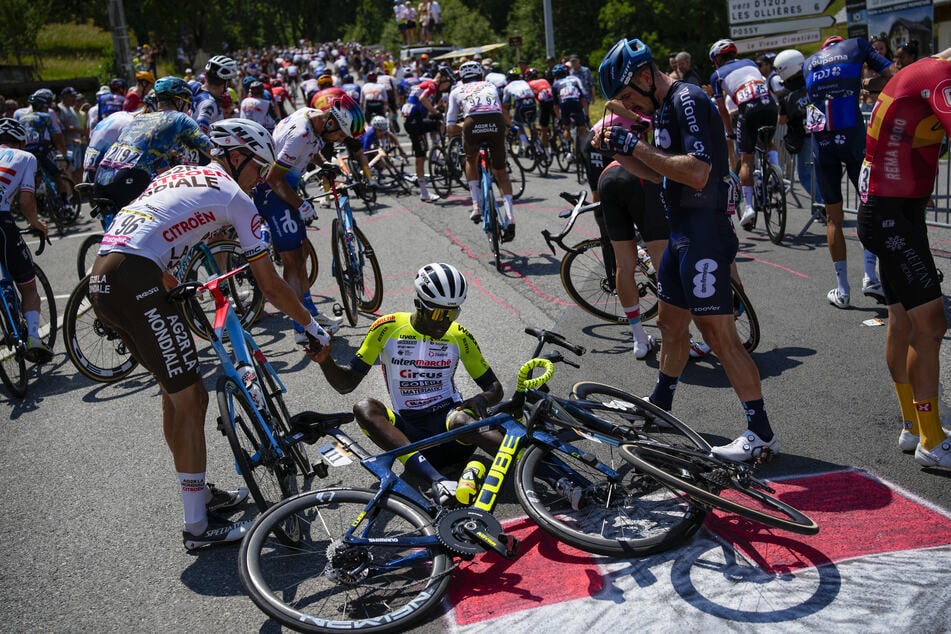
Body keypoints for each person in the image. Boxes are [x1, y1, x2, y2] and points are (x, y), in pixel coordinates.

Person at [89, 118, 331, 549]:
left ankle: (198, 494)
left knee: (174, 393)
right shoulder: (237, 198)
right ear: (236, 158)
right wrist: (312, 327)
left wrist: (167, 290)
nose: (260, 180)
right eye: (258, 168)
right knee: (194, 399)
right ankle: (197, 529)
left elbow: (151, 231)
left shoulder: (179, 174)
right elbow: (271, 287)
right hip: (135, 278)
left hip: (105, 276)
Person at [598, 37, 777, 461]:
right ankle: (661, 405)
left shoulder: (688, 99)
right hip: (680, 231)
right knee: (670, 325)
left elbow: (696, 173)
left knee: (717, 335)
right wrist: (617, 150)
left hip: (704, 233)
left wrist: (633, 143)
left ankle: (761, 431)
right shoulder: (659, 108)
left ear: (645, 76)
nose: (629, 105)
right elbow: (661, 173)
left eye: (627, 96)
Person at [307, 262, 503, 500]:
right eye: (439, 313)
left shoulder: (459, 336)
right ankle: (438, 483)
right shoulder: (387, 328)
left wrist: (483, 398)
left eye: (452, 313)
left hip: (454, 430)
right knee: (364, 408)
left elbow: (494, 388)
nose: (445, 322)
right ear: (418, 304)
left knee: (462, 418)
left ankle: (545, 468)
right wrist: (326, 361)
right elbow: (346, 384)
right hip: (412, 440)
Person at [856, 48, 951, 469]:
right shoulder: (939, 74)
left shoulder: (921, 68)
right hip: (893, 215)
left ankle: (915, 427)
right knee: (930, 324)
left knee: (902, 320)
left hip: (889, 210)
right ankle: (932, 440)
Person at [254, 96, 365, 344]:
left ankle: (309, 314)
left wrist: (323, 163)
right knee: (292, 261)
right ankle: (301, 326)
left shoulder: (312, 116)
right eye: (339, 135)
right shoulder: (301, 135)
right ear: (330, 123)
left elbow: (311, 149)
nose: (338, 140)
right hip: (272, 192)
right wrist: (301, 205)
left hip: (284, 190)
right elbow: (274, 179)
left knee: (302, 254)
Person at [803, 35, 894, 308]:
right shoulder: (856, 45)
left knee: (834, 219)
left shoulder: (809, 63)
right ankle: (870, 277)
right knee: (870, 208)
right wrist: (867, 84)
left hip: (822, 143)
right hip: (853, 139)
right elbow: (892, 76)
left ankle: (842, 290)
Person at [93, 76, 212, 209]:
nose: (188, 108)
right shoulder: (180, 118)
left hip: (100, 181)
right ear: (180, 101)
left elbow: (162, 169)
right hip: (128, 181)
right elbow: (211, 151)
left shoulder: (140, 119)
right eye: (188, 102)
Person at [709, 38, 780, 231]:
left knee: (746, 158)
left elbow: (722, 109)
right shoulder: (749, 62)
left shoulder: (716, 74)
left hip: (748, 110)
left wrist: (730, 132)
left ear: (716, 59)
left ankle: (748, 207)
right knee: (767, 141)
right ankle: (776, 168)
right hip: (770, 106)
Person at [0, 118, 52, 362]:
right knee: (28, 287)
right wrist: (37, 225)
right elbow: (26, 202)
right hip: (1, 222)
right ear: (20, 142)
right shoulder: (25, 157)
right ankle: (33, 338)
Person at [446, 61, 516, 240]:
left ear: (462, 77)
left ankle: (476, 206)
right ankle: (510, 219)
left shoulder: (456, 91)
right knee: (501, 172)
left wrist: (463, 126)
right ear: (481, 75)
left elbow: (450, 127)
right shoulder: (490, 85)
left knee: (471, 159)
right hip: (495, 121)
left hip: (472, 123)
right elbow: (499, 110)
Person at [773, 49, 825, 215]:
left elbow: (781, 119)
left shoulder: (785, 94)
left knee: (805, 176)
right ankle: (825, 206)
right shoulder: (815, 81)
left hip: (805, 138)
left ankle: (825, 206)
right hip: (824, 133)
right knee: (823, 174)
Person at [400, 77, 442, 202]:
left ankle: (436, 151)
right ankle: (424, 192)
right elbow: (422, 99)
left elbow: (422, 107)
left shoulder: (420, 86)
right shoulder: (433, 85)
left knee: (422, 156)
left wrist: (435, 108)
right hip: (415, 123)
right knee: (420, 157)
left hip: (413, 121)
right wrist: (436, 111)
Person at [192, 55, 238, 134]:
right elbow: (199, 134)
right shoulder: (209, 103)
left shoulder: (194, 87)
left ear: (206, 76)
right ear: (226, 83)